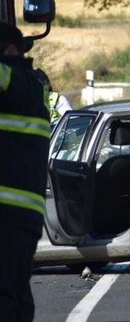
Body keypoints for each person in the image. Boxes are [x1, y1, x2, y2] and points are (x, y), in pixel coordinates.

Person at [0, 22, 50, 321]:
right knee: (13, 293)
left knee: (8, 295)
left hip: (10, 215)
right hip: (19, 216)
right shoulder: (29, 84)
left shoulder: (21, 81)